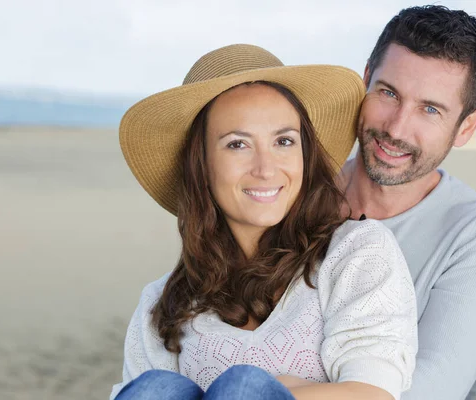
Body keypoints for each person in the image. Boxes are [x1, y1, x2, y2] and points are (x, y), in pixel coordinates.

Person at [110, 44, 417, 400]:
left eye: (284, 141)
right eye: (238, 145)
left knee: (243, 386)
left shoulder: (356, 253)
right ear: (201, 164)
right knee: (156, 390)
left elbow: (374, 393)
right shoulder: (163, 305)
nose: (266, 168)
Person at [338, 5, 476, 399]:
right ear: (365, 80)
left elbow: (435, 386)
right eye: (388, 93)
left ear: (467, 126)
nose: (396, 128)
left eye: (430, 109)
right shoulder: (294, 191)